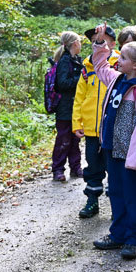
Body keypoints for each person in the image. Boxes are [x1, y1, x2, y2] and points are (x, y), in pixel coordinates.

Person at [89, 24, 136, 259]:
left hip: (129, 153)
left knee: (132, 195)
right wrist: (100, 43)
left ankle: (133, 239)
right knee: (115, 192)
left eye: (124, 57)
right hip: (110, 148)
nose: (118, 60)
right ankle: (117, 234)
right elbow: (99, 65)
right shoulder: (116, 80)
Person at [72, 25, 118, 218]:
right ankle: (92, 200)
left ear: (113, 44)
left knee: (114, 167)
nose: (98, 43)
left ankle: (118, 205)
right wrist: (77, 123)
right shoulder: (86, 69)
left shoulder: (119, 66)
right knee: (93, 166)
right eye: (94, 41)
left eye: (103, 40)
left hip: (112, 130)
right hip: (91, 130)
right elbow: (79, 98)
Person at [51, 31, 83, 182]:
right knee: (63, 140)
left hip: (76, 107)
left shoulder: (77, 60)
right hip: (64, 108)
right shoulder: (64, 61)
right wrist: (81, 79)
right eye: (80, 42)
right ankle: (58, 169)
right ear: (75, 43)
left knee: (75, 139)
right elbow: (62, 83)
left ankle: (76, 167)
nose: (81, 45)